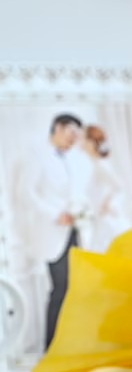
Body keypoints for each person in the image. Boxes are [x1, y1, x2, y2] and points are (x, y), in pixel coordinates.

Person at [23, 113, 89, 349]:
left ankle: (69, 343)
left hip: (73, 231)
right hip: (52, 233)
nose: (73, 139)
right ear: (58, 128)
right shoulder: (38, 157)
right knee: (60, 288)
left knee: (75, 288)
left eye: (77, 136)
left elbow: (75, 193)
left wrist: (77, 209)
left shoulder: (71, 161)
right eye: (71, 133)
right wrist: (55, 214)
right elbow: (28, 194)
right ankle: (50, 346)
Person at [80, 125, 128, 253]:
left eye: (83, 139)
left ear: (91, 142)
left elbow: (119, 186)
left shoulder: (101, 164)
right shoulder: (94, 164)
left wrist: (107, 202)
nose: (81, 142)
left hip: (107, 221)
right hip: (99, 219)